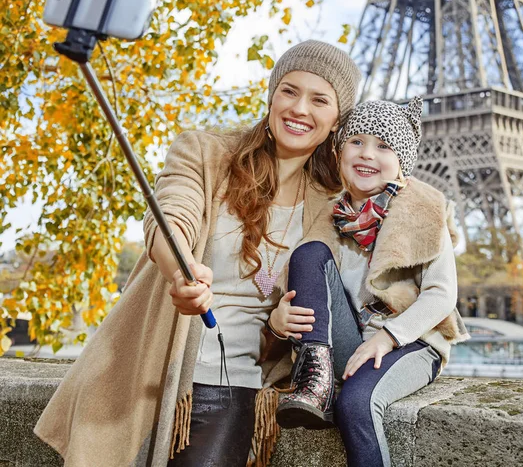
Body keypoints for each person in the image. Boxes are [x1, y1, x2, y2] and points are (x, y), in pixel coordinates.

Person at [34, 40, 361, 467]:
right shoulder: (205, 153)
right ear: (271, 95)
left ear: (337, 119)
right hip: (150, 370)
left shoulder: (330, 202)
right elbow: (170, 217)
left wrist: (279, 329)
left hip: (231, 383)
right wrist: (181, 269)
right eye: (289, 90)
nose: (300, 108)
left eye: (319, 99)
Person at [268, 98, 470, 467]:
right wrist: (279, 322)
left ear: (401, 161)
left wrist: (389, 335)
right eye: (356, 141)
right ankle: (317, 379)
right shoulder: (328, 216)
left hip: (410, 343)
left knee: (357, 402)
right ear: (339, 151)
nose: (367, 154)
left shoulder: (423, 211)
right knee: (308, 253)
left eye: (383, 146)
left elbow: (442, 294)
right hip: (346, 345)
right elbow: (308, 288)